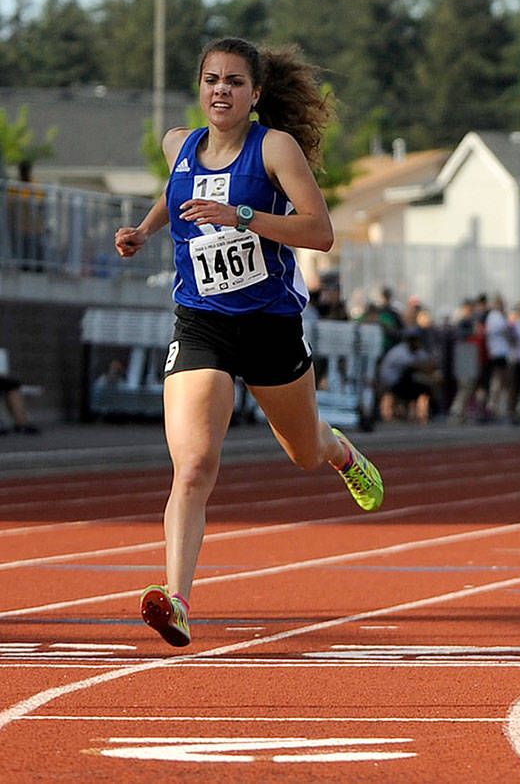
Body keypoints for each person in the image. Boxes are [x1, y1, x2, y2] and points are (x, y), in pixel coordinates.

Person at [114, 36, 384, 648]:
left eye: (234, 82)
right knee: (195, 465)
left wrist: (241, 217)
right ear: (200, 87)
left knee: (304, 452)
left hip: (269, 326)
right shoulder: (178, 146)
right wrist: (145, 231)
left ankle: (341, 453)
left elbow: (319, 232)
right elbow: (177, 191)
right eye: (211, 79)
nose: (221, 91)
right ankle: (178, 600)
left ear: (255, 94)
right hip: (201, 323)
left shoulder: (274, 150)